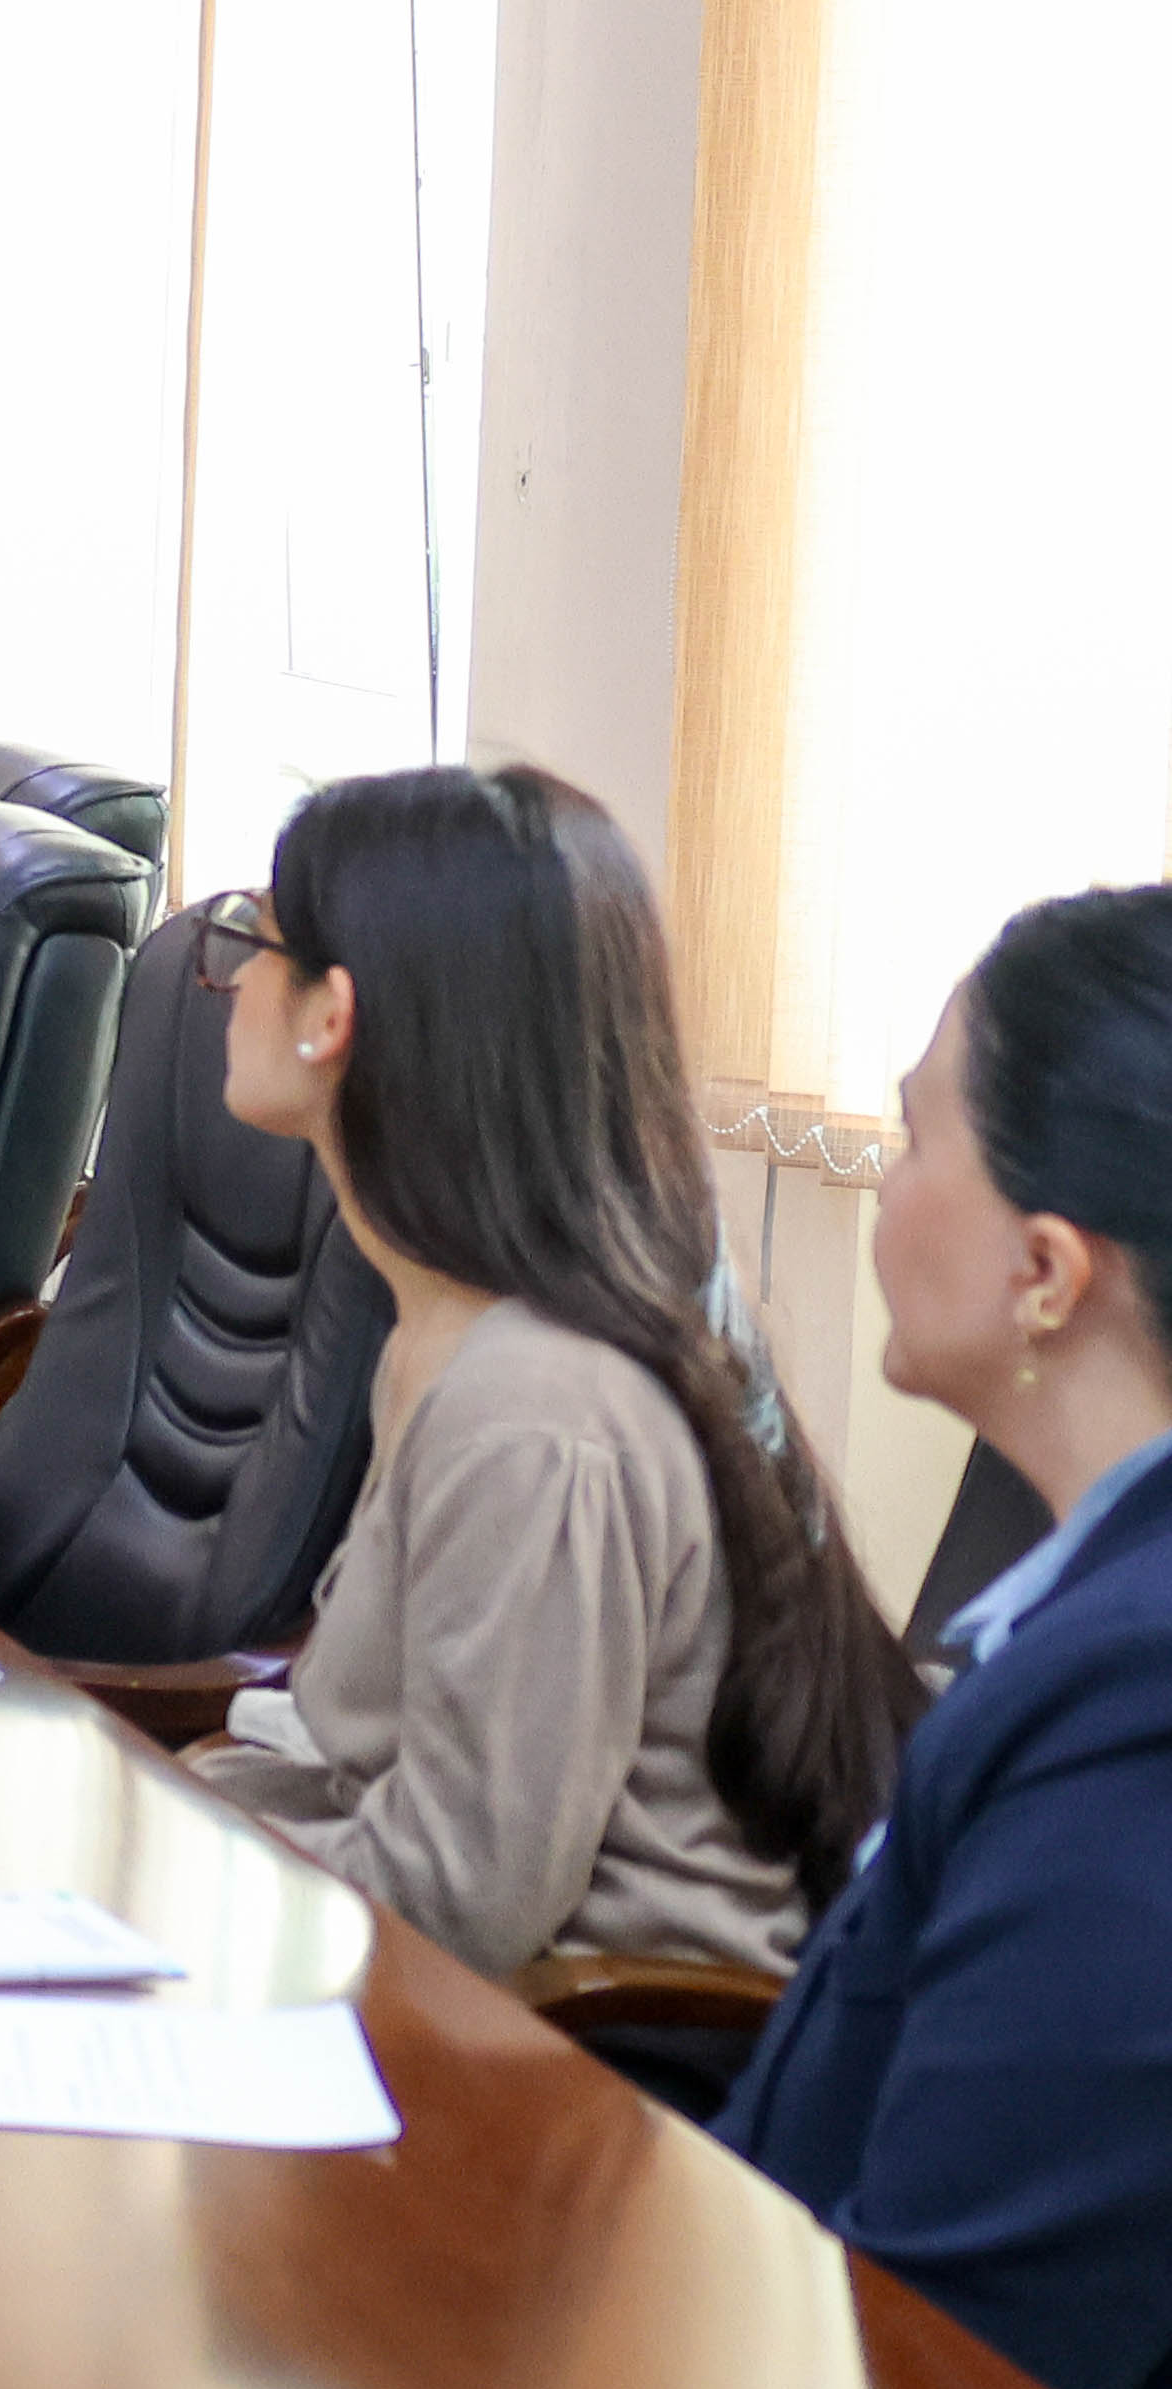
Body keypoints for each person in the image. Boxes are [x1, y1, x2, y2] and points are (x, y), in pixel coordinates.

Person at [177, 768, 915, 1983]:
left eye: (249, 943)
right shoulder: (453, 1332)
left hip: (592, 2053)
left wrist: (158, 1864)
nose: (228, 981)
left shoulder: (531, 1407)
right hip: (462, 2001)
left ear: (330, 1016)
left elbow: (456, 1897)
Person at [717, 885, 1172, 2389]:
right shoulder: (1087, 1617)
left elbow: (953, 2362)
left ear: (1045, 1270)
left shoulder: (1134, 1710)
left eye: (912, 1138)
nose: (883, 1184)